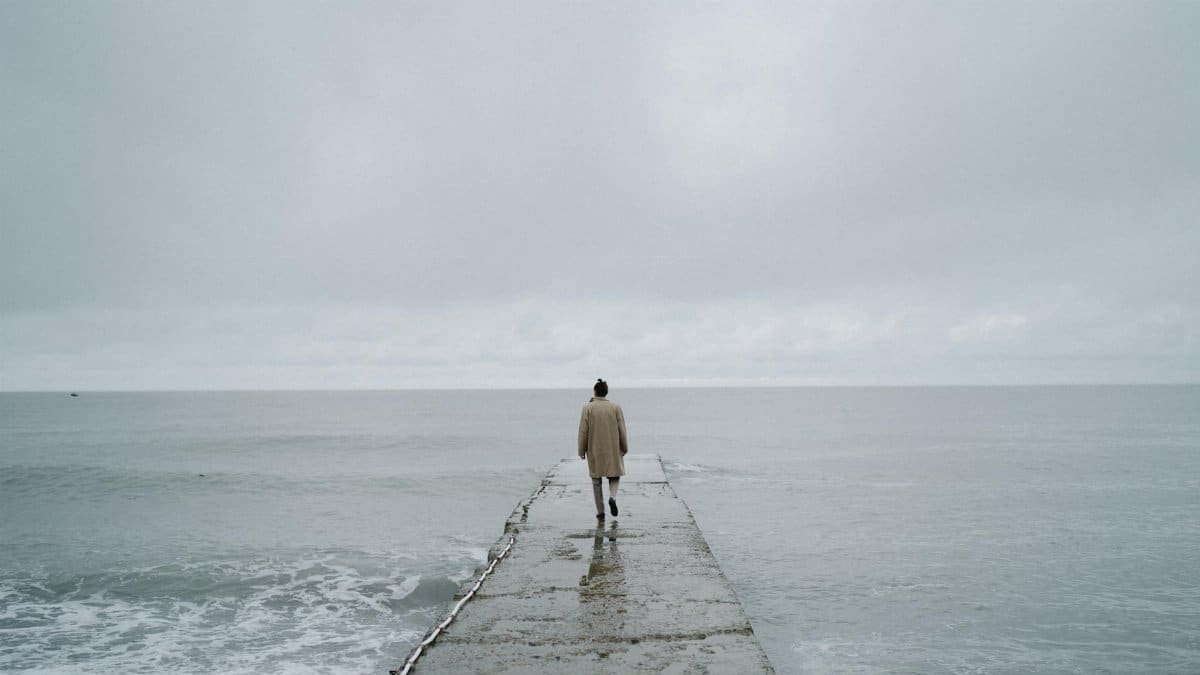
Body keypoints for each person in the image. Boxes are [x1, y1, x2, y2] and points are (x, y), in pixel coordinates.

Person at [578, 378, 628, 521]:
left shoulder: (587, 408)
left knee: (596, 480)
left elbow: (583, 431)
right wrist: (624, 447)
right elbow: (622, 429)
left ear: (595, 391)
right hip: (613, 447)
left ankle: (601, 512)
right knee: (614, 475)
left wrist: (581, 450)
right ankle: (612, 497)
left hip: (594, 448)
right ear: (606, 393)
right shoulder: (615, 407)